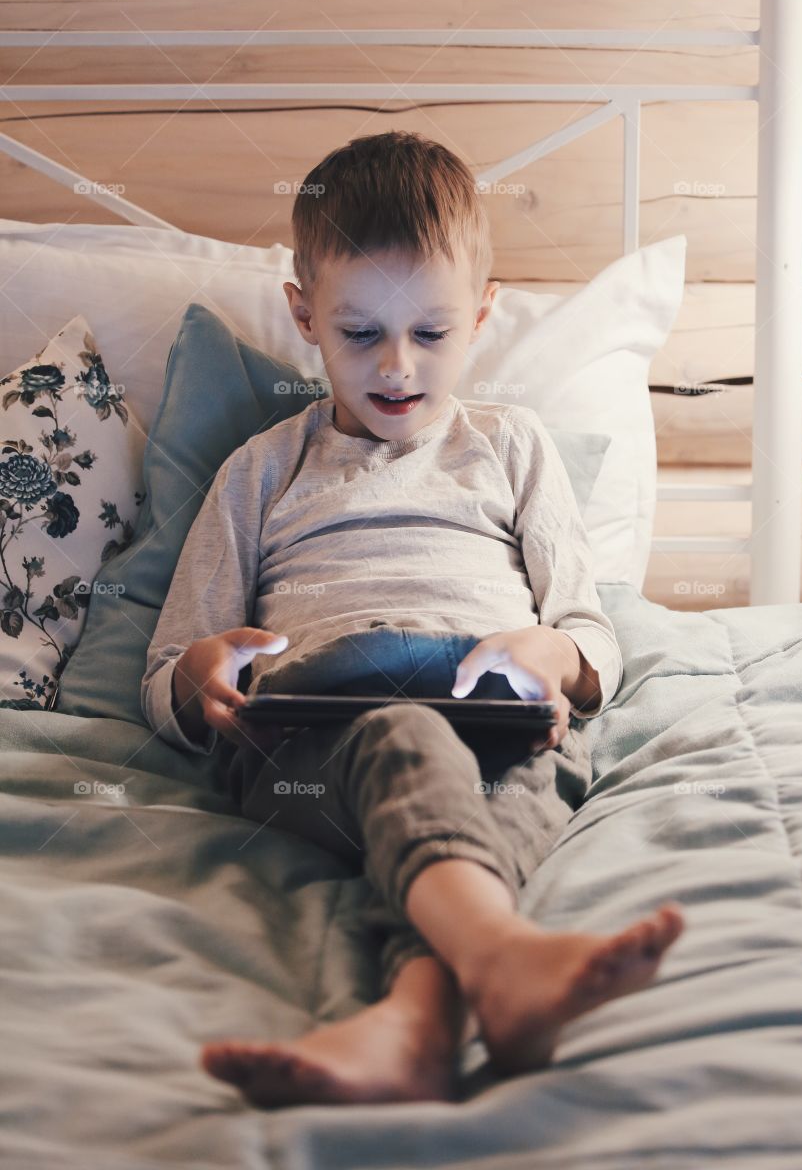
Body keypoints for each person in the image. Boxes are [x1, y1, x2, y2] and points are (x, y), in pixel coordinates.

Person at [141, 130, 684, 1109]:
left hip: (507, 725)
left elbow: (590, 632)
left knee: (500, 793)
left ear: (482, 314)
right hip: (314, 740)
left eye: (432, 333)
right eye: (360, 333)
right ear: (303, 315)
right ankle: (505, 960)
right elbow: (174, 661)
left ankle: (414, 1027)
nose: (397, 366)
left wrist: (552, 651)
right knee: (405, 735)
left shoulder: (512, 446)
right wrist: (201, 673)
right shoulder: (263, 469)